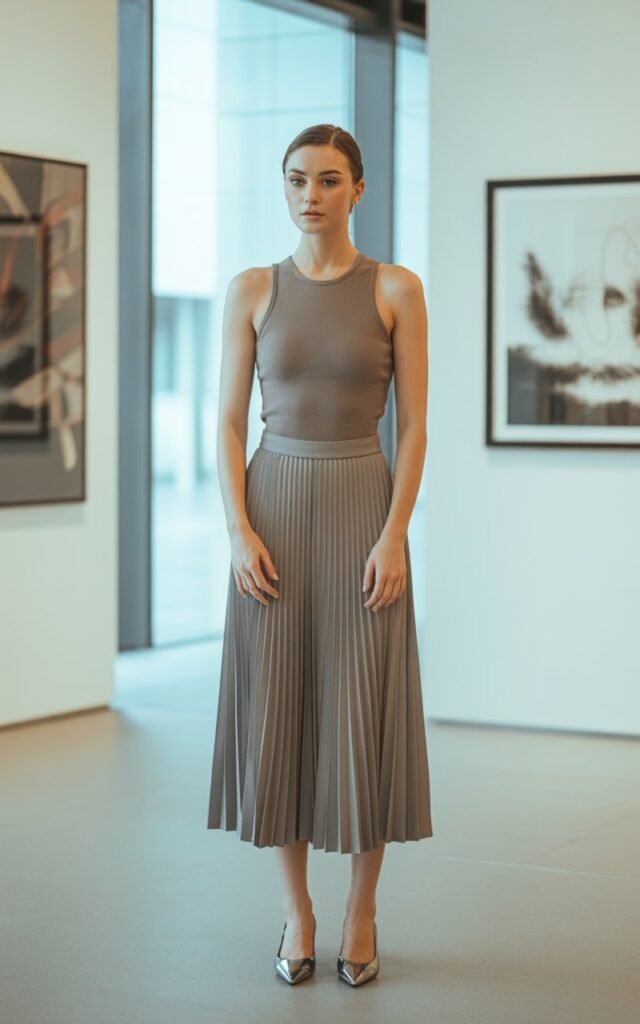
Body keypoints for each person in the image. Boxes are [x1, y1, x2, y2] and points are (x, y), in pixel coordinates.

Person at [207, 123, 433, 986]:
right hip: (273, 512)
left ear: (358, 191)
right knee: (284, 713)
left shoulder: (398, 291)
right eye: (297, 179)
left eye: (330, 180)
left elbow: (412, 428)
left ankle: (361, 910)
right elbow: (229, 423)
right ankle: (298, 912)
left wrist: (394, 531)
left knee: (361, 711)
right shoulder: (252, 289)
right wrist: (237, 527)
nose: (311, 194)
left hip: (363, 509)